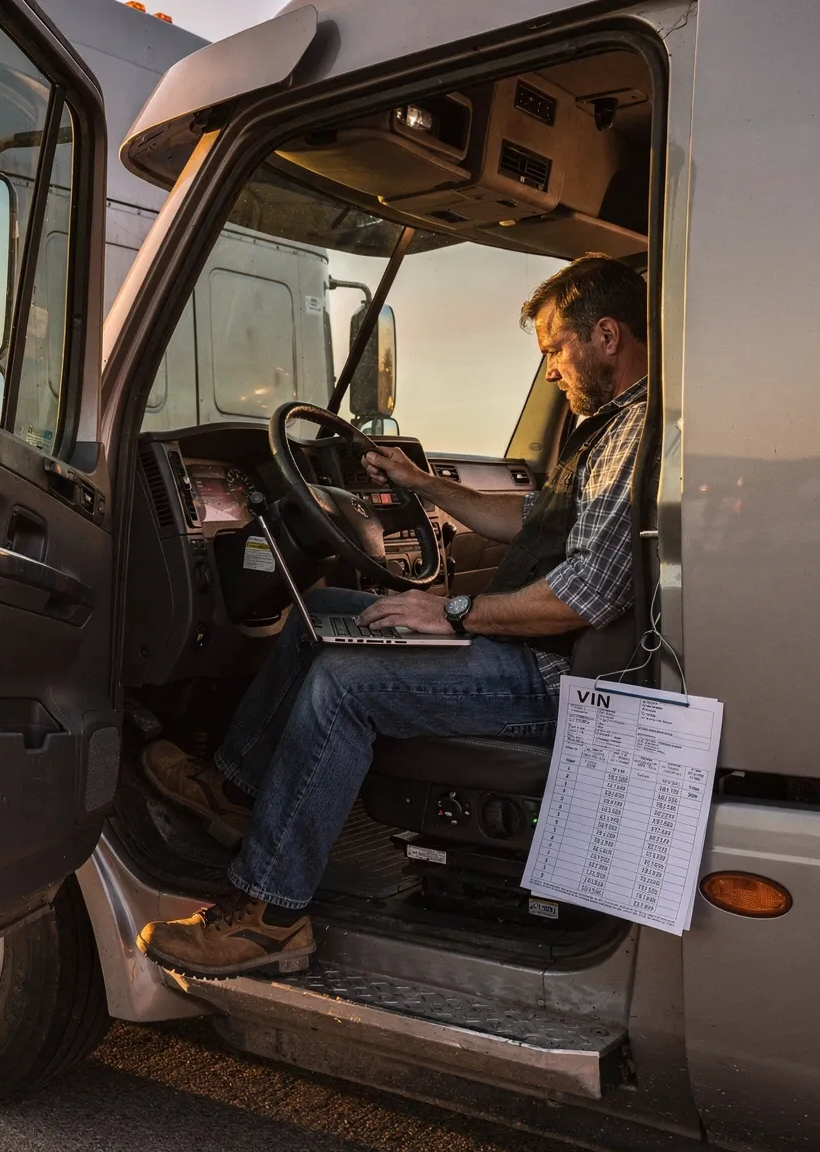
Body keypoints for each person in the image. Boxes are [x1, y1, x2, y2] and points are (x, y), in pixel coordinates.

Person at [137, 254, 652, 978]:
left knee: (345, 683)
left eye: (553, 351)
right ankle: (238, 792)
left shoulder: (637, 434)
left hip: (553, 679)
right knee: (322, 608)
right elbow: (533, 520)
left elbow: (583, 596)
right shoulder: (611, 428)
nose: (549, 373)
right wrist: (421, 482)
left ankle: (271, 915)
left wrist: (456, 611)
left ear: (604, 336)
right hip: (541, 658)